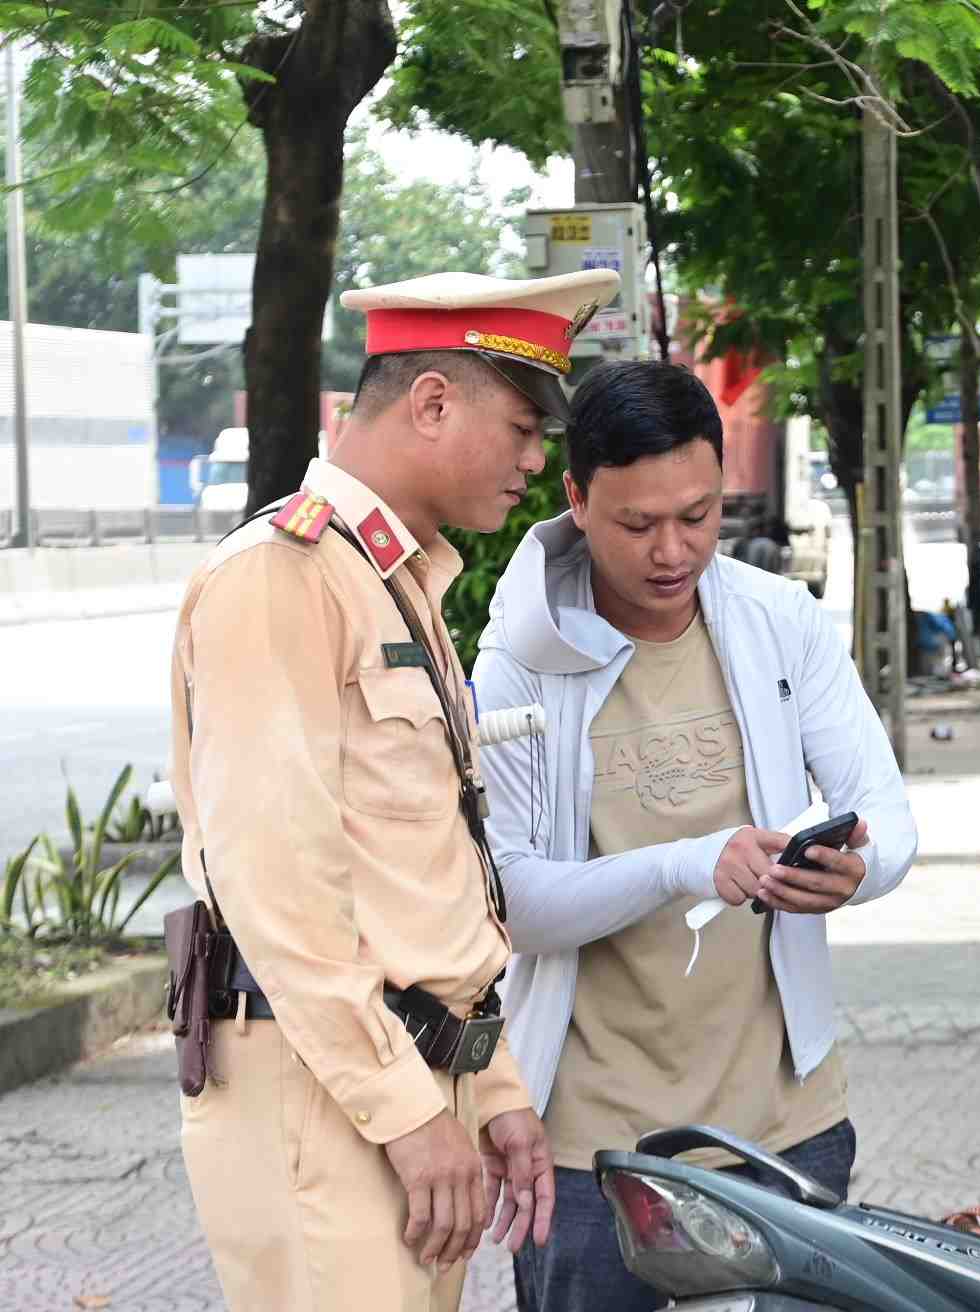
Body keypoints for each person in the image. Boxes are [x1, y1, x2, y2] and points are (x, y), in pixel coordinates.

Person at [168, 267, 620, 1311]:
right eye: (519, 426)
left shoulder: (391, 581)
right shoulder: (278, 577)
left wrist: (490, 1086)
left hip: (406, 1083)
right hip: (328, 1095)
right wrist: (407, 1113)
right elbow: (276, 884)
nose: (535, 459)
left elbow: (428, 872)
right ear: (429, 402)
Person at [468, 360, 918, 1312]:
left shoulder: (777, 622)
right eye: (638, 524)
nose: (673, 551)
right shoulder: (518, 660)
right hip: (591, 1145)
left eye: (700, 515)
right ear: (576, 500)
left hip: (786, 1122)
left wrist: (856, 871)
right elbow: (509, 901)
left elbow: (889, 809)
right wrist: (686, 865)